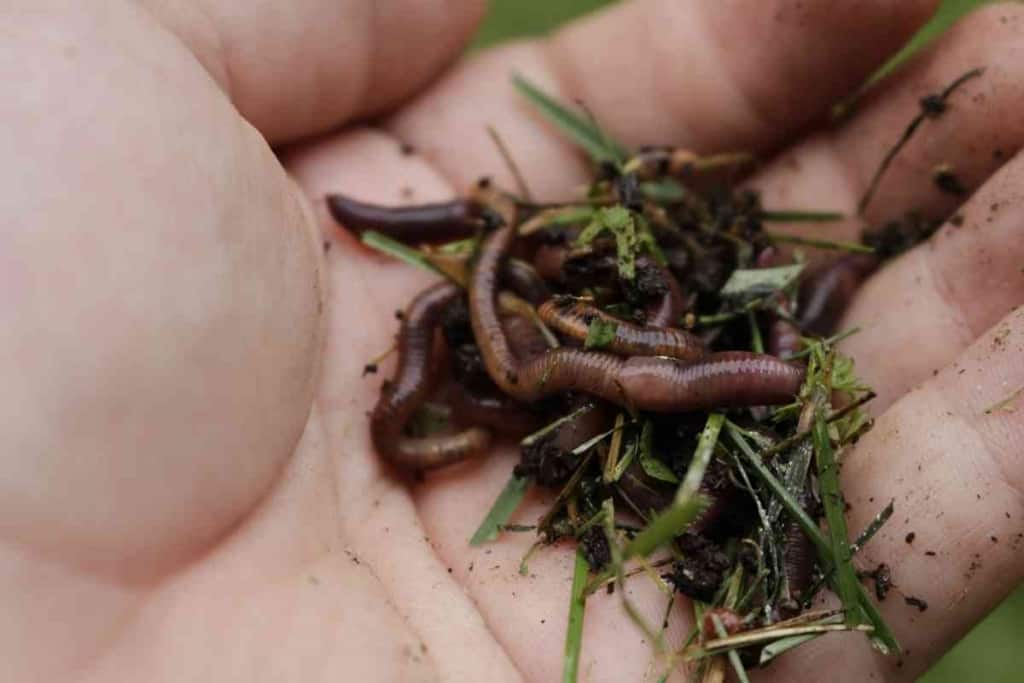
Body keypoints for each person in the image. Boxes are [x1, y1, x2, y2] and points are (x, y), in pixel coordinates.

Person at [3, 1, 1022, 680]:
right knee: (606, 360)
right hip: (570, 344)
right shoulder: (516, 354)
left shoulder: (576, 345)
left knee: (641, 363)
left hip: (603, 345)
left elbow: (608, 366)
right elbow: (539, 369)